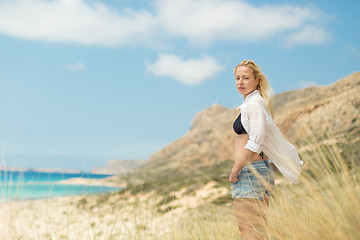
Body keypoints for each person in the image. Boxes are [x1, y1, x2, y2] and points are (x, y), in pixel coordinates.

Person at [229, 60, 303, 239]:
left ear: (257, 80)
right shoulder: (253, 103)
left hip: (250, 173)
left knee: (247, 230)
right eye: (238, 78)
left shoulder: (254, 104)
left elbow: (256, 142)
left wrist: (235, 170)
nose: (240, 82)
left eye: (246, 78)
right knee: (259, 229)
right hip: (257, 171)